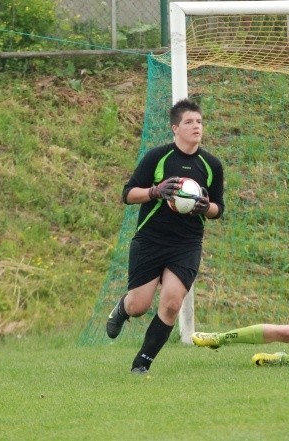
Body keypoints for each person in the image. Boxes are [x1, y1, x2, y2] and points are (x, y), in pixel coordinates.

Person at [106, 98, 225, 374]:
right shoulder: (157, 157)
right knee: (139, 305)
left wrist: (205, 206)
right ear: (175, 128)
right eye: (189, 122)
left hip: (186, 244)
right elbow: (128, 194)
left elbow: (219, 209)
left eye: (199, 121)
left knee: (171, 303)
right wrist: (155, 192)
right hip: (150, 240)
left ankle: (142, 364)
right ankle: (122, 309)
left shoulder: (211, 165)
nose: (196, 126)